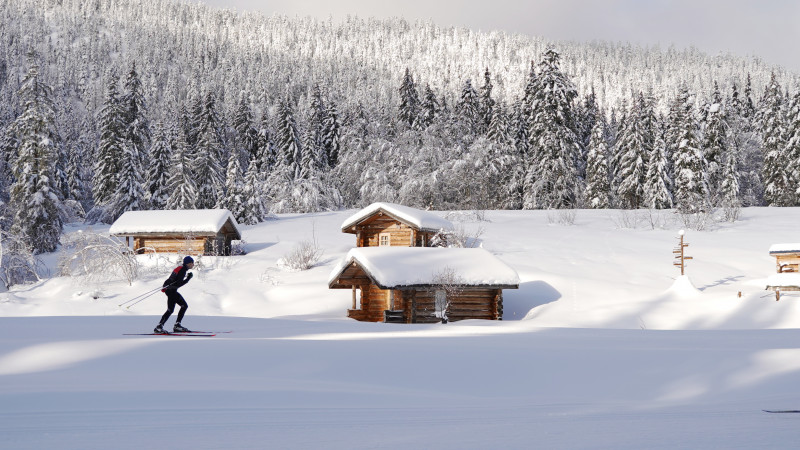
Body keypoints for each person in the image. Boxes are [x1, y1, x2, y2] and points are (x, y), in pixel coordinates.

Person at [154, 256, 195, 333]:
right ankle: (162, 327)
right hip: (171, 291)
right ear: (188, 263)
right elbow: (178, 284)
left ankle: (175, 325)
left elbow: (172, 280)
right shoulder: (182, 270)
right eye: (192, 263)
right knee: (175, 308)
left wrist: (165, 286)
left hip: (170, 290)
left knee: (179, 307)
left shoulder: (181, 268)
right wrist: (188, 279)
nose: (193, 264)